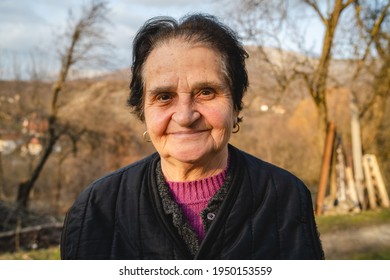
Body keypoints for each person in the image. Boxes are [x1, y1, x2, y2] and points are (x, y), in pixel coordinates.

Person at [60, 14, 324, 260]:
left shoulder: (286, 196)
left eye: (206, 92)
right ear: (143, 111)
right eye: (164, 97)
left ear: (236, 106)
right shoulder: (95, 209)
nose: (185, 116)